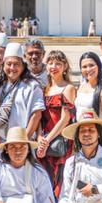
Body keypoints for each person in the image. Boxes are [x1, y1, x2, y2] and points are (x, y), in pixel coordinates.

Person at [36, 51, 77, 195]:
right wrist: (40, 137)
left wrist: (47, 140)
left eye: (58, 63)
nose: (54, 66)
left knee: (59, 181)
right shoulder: (44, 89)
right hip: (45, 141)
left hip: (60, 140)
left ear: (65, 67)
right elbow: (40, 117)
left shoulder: (68, 88)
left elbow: (65, 118)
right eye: (51, 63)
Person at [0, 43, 45, 149]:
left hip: (23, 143)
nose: (12, 68)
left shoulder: (32, 86)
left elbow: (36, 116)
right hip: (1, 143)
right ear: (3, 65)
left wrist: (22, 143)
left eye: (16, 64)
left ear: (23, 66)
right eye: (9, 64)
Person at [75, 52, 102, 124]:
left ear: (99, 66)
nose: (88, 69)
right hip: (82, 132)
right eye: (84, 67)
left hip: (98, 133)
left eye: (91, 65)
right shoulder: (81, 86)